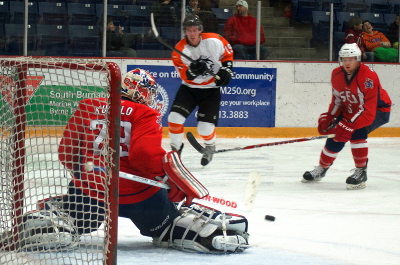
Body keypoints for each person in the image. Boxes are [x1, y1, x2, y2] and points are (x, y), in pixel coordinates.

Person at [20, 69, 250, 253]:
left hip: (89, 194)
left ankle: (58, 224)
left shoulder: (87, 106)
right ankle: (201, 234)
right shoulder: (145, 113)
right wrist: (166, 176)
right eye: (149, 93)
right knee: (167, 226)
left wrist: (84, 178)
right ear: (142, 92)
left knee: (78, 218)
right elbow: (144, 156)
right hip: (142, 197)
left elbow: (66, 153)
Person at [302, 43, 392, 190]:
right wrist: (329, 117)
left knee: (357, 131)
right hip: (352, 110)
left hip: (377, 110)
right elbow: (337, 100)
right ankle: (322, 168)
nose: (347, 63)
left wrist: (349, 124)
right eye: (344, 59)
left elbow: (367, 111)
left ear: (358, 60)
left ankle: (361, 171)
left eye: (351, 59)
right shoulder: (336, 74)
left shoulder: (368, 77)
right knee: (335, 135)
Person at [168, 15, 233, 166]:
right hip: (189, 89)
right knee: (174, 119)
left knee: (204, 129)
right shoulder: (179, 50)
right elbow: (186, 75)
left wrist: (227, 69)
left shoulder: (214, 40)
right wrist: (194, 71)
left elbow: (227, 53)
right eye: (189, 30)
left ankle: (210, 146)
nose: (192, 33)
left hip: (211, 90)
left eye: (195, 29)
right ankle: (176, 149)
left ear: (200, 30)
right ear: (185, 31)